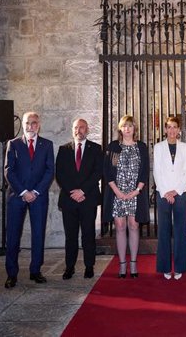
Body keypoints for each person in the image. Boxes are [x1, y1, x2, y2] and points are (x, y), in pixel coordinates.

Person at [4, 112, 55, 288]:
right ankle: (11, 274)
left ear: (38, 125)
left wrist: (36, 192)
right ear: (24, 125)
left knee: (38, 234)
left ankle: (36, 270)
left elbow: (50, 171)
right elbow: (8, 170)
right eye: (27, 123)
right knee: (12, 236)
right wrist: (24, 192)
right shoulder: (14, 144)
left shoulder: (47, 145)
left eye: (34, 123)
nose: (30, 126)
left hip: (38, 197)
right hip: (17, 196)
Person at [55, 118, 103, 280]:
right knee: (70, 236)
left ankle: (89, 266)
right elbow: (59, 174)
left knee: (88, 234)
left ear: (87, 130)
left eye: (82, 127)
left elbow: (98, 172)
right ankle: (70, 267)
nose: (79, 130)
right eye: (76, 127)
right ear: (72, 130)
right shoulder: (64, 149)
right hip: (69, 200)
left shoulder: (96, 149)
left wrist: (82, 190)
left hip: (87, 199)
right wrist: (72, 192)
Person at [103, 115, 150, 278]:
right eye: (124, 126)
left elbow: (145, 171)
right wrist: (117, 191)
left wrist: (137, 190)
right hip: (117, 192)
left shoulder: (141, 147)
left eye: (130, 126)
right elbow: (107, 171)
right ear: (120, 129)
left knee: (134, 226)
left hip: (135, 193)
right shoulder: (113, 147)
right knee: (120, 227)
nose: (127, 129)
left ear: (134, 128)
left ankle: (134, 263)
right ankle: (122, 264)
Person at [153, 116, 186, 280]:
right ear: (165, 129)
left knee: (180, 230)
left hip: (180, 193)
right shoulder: (158, 147)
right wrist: (165, 192)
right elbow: (157, 171)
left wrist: (176, 191)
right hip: (163, 193)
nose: (172, 130)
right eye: (169, 127)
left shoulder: (184, 147)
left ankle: (180, 265)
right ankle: (165, 267)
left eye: (175, 127)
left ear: (179, 130)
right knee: (164, 230)